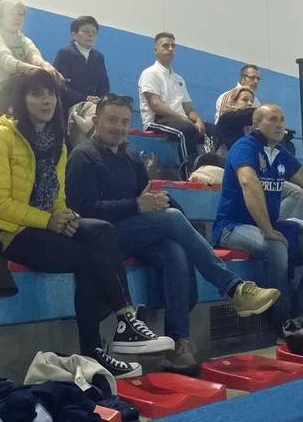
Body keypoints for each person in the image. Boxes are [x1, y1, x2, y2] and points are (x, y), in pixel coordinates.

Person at [0, 69, 171, 378]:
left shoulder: (58, 144)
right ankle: (98, 345)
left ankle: (124, 321)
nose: (46, 100)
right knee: (90, 258)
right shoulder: (1, 136)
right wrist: (49, 220)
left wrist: (64, 216)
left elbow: (58, 197)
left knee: (101, 230)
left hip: (41, 225)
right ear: (21, 99)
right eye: (36, 93)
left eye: (51, 94)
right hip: (5, 231)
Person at [66, 94, 280, 375]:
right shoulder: (83, 156)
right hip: (100, 241)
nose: (118, 127)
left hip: (133, 234)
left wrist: (156, 203)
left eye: (124, 122)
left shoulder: (130, 156)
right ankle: (233, 287)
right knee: (173, 220)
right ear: (96, 121)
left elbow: (147, 198)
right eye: (111, 120)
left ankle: (178, 343)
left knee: (175, 250)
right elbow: (82, 210)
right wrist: (137, 206)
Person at [213, 104, 303, 328]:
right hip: (232, 227)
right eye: (272, 119)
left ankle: (302, 314)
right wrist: (268, 229)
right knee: (276, 246)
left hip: (266, 225)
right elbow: (249, 182)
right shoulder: (245, 147)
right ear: (256, 124)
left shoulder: (280, 153)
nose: (280, 124)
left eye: (282, 119)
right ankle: (282, 323)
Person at [139, 32, 212, 165]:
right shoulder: (149, 73)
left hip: (179, 120)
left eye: (173, 46)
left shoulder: (179, 79)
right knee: (187, 130)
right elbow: (156, 105)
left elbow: (188, 107)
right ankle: (188, 170)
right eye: (165, 46)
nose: (170, 49)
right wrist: (184, 119)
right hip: (156, 121)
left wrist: (199, 120)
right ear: (155, 50)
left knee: (212, 130)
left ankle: (207, 168)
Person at [0, 0, 62, 112]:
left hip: (19, 95)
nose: (17, 18)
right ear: (1, 18)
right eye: (11, 13)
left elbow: (34, 56)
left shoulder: (25, 40)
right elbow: (8, 62)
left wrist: (46, 66)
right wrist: (38, 70)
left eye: (20, 14)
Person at [53, 16, 110, 109]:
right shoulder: (65, 53)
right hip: (66, 106)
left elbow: (104, 85)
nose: (91, 35)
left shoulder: (98, 57)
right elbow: (60, 85)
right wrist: (85, 98)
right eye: (86, 31)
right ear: (74, 34)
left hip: (91, 106)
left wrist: (98, 99)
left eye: (94, 32)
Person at [214, 87, 255, 151]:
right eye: (245, 100)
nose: (250, 103)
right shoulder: (226, 118)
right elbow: (242, 116)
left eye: (251, 101)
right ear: (233, 103)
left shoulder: (250, 122)